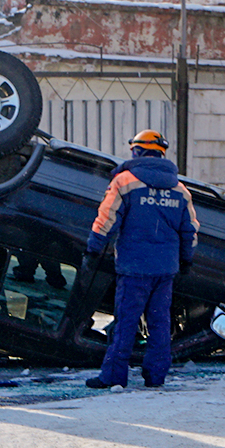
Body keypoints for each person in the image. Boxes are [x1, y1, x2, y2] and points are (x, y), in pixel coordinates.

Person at [84, 129, 198, 390]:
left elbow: (106, 220)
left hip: (134, 268)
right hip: (165, 269)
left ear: (138, 151)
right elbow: (190, 229)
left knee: (126, 322)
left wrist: (93, 250)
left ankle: (114, 375)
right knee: (159, 323)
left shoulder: (125, 181)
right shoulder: (179, 189)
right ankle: (156, 376)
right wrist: (186, 259)